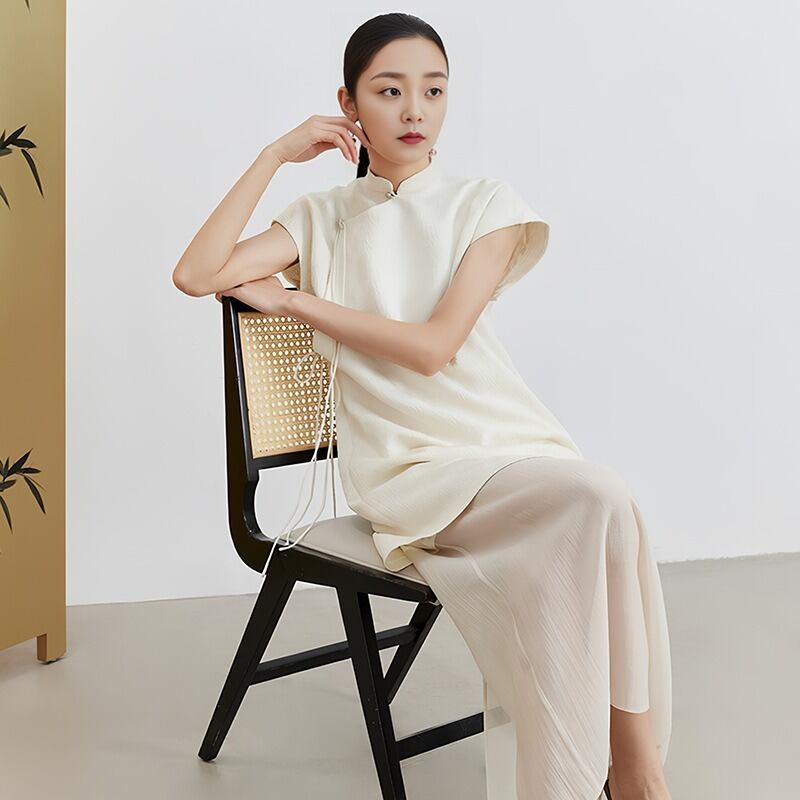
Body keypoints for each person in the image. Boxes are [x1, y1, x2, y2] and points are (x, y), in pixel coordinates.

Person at [172, 13, 674, 800]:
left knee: (605, 505)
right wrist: (274, 154)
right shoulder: (320, 218)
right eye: (389, 91)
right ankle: (632, 774)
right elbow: (196, 274)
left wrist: (298, 302)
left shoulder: (487, 205)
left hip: (503, 445)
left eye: (433, 91)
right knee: (603, 504)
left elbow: (434, 347)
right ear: (348, 103)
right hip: (407, 471)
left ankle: (626, 769)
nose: (414, 110)